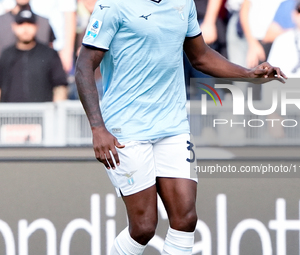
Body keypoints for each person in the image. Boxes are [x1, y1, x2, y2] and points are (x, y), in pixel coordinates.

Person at [75, 0, 286, 254]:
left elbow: (201, 56)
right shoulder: (113, 5)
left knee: (186, 220)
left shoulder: (183, 3)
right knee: (143, 227)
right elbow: (84, 65)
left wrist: (248, 74)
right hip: (126, 127)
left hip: (173, 124)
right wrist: (98, 128)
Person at [0, 9, 68, 102]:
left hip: (43, 113)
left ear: (37, 26)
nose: (25, 29)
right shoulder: (6, 55)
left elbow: (60, 86)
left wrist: (57, 111)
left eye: (29, 24)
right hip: (11, 114)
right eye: (21, 24)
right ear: (14, 27)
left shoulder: (49, 54)